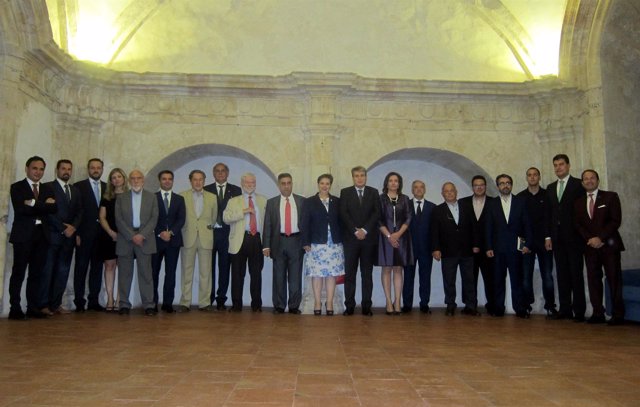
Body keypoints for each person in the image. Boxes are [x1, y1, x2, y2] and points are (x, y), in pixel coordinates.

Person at [8, 156, 57, 320]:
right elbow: (21, 210)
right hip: (23, 236)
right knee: (19, 273)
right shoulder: (17, 187)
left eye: (41, 169)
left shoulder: (48, 189)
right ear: (27, 169)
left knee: (36, 273)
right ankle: (15, 307)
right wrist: (43, 205)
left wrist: (33, 203)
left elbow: (53, 208)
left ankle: (32, 307)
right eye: (35, 168)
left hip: (42, 236)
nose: (38, 172)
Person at [574, 169, 625, 325]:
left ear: (597, 180)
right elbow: (578, 224)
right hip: (590, 247)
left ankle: (617, 314)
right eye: (586, 179)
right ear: (582, 183)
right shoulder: (578, 202)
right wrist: (590, 239)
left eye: (592, 178)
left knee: (614, 280)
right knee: (593, 280)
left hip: (609, 246)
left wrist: (600, 238)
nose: (589, 181)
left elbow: (615, 220)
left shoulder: (610, 197)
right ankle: (598, 313)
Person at [485, 174, 533, 318]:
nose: (505, 186)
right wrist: (488, 247)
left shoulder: (521, 202)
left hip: (516, 249)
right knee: (498, 280)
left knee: (517, 280)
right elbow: (488, 227)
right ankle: (498, 308)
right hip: (497, 249)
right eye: (502, 183)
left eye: (507, 183)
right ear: (497, 186)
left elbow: (527, 225)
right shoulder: (491, 203)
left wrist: (527, 244)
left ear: (511, 185)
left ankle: (520, 309)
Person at [546, 154, 586, 321]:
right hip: (557, 238)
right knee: (561, 274)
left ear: (568, 166)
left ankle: (579, 312)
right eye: (555, 165)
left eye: (561, 164)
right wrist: (548, 237)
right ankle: (565, 309)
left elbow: (583, 212)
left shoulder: (578, 185)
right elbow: (548, 214)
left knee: (576, 274)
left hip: (575, 237)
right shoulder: (550, 187)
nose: (558, 168)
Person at [40, 159, 82, 315]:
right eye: (63, 168)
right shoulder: (48, 187)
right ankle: (43, 304)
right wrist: (63, 228)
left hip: (69, 238)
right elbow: (47, 212)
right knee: (48, 270)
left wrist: (74, 227)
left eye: (69, 169)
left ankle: (55, 304)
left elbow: (80, 211)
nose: (66, 171)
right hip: (52, 235)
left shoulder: (75, 190)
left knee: (63, 271)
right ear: (56, 170)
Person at [430, 182, 480, 316]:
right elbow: (434, 231)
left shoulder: (467, 207)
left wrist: (476, 244)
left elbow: (474, 226)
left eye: (452, 190)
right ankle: (450, 305)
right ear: (442, 194)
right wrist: (435, 249)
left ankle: (471, 306)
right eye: (446, 191)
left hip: (467, 250)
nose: (450, 193)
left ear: (456, 192)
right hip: (448, 251)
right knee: (449, 280)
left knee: (469, 279)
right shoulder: (438, 210)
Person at [115, 170, 159, 315]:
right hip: (125, 239)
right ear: (129, 181)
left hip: (144, 239)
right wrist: (131, 235)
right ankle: (124, 304)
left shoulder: (151, 197)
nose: (135, 181)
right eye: (132, 178)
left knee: (146, 274)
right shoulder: (121, 198)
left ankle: (148, 305)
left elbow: (154, 218)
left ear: (143, 180)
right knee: (124, 274)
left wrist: (141, 235)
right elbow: (118, 219)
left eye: (138, 178)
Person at [516, 167, 558, 317]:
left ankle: (550, 306)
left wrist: (549, 238)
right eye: (530, 175)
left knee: (547, 276)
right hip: (526, 244)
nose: (532, 177)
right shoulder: (520, 197)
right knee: (526, 277)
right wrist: (521, 246)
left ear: (539, 177)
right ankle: (527, 305)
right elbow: (518, 224)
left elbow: (550, 219)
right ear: (526, 178)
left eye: (535, 175)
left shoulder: (548, 195)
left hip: (544, 241)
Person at [339, 166, 381, 316]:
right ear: (353, 177)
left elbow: (377, 213)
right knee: (350, 274)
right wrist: (355, 231)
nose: (360, 178)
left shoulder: (373, 192)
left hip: (369, 240)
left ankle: (366, 306)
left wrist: (365, 230)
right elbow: (343, 213)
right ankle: (349, 306)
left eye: (362, 175)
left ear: (366, 177)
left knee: (367, 274)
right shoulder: (345, 192)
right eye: (356, 175)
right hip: (351, 240)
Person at [301, 174, 345, 316]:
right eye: (322, 183)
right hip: (316, 244)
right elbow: (304, 223)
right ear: (318, 184)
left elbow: (342, 222)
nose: (325, 186)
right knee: (317, 275)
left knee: (331, 275)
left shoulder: (337, 201)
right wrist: (305, 242)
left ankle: (330, 302)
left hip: (334, 244)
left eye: (327, 183)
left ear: (330, 185)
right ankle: (318, 302)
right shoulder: (309, 202)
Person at [262, 173, 305, 314]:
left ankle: (294, 306)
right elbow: (267, 224)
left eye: (289, 183)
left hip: (296, 242)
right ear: (279, 185)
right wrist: (266, 245)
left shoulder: (301, 201)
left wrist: (306, 242)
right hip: (278, 242)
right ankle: (279, 306)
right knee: (278, 277)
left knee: (295, 277)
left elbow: (306, 224)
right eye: (283, 183)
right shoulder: (272, 202)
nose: (286, 186)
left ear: (292, 184)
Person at [224, 172, 267, 312]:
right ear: (242, 184)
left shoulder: (263, 200)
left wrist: (267, 244)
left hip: (256, 239)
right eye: (247, 182)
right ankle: (236, 305)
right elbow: (226, 218)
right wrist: (243, 211)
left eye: (252, 182)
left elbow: (268, 223)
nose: (250, 185)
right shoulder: (233, 201)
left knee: (256, 274)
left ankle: (256, 305)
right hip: (239, 241)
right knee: (237, 275)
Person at [177, 170, 218, 312]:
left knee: (206, 272)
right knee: (186, 271)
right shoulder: (182, 196)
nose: (198, 182)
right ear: (190, 181)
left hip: (206, 238)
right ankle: (185, 302)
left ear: (204, 181)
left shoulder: (212, 197)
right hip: (188, 237)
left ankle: (205, 302)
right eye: (195, 179)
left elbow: (213, 219)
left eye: (201, 179)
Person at [204, 163, 242, 310]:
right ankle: (209, 297)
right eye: (217, 171)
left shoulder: (236, 190)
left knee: (225, 267)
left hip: (227, 234)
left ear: (227, 173)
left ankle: (221, 299)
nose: (220, 173)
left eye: (223, 171)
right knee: (209, 268)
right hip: (209, 233)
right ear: (213, 174)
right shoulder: (206, 189)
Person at [377, 172, 413, 315]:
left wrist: (398, 234)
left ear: (399, 183)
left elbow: (409, 218)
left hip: (401, 238)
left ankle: (397, 301)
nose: (393, 183)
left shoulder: (405, 199)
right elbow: (378, 219)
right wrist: (389, 235)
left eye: (396, 181)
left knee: (398, 269)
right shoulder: (380, 199)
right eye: (390, 181)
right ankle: (388, 301)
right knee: (386, 269)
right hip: (385, 238)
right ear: (386, 183)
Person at [73, 158, 107, 312]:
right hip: (84, 234)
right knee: (81, 268)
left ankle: (94, 301)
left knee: (97, 269)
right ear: (88, 169)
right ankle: (79, 301)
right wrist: (77, 233)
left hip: (101, 236)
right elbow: (76, 211)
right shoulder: (78, 186)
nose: (95, 170)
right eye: (93, 167)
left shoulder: (107, 188)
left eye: (98, 168)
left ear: (102, 169)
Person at [459, 175, 495, 315]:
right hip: (469, 249)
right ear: (472, 187)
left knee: (490, 278)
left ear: (485, 186)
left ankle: (492, 305)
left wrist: (490, 246)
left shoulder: (494, 202)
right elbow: (460, 227)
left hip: (488, 249)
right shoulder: (463, 203)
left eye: (481, 185)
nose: (479, 187)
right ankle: (470, 305)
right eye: (476, 185)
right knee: (469, 278)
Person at [151, 170, 186, 313]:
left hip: (173, 241)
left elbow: (181, 219)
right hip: (156, 241)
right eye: (164, 179)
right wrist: (160, 232)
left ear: (173, 181)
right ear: (160, 180)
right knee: (153, 272)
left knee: (170, 273)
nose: (167, 181)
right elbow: (150, 218)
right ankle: (152, 303)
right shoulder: (152, 198)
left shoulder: (179, 199)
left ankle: (167, 303)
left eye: (169, 179)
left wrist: (170, 232)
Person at [403, 180, 436, 314]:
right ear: (412, 189)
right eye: (416, 187)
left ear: (425, 189)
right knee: (408, 278)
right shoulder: (405, 206)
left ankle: (424, 304)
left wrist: (435, 248)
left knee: (425, 278)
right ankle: (407, 305)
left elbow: (435, 231)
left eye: (421, 187)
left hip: (427, 250)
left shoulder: (432, 207)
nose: (418, 189)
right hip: (409, 249)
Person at [98, 168, 128, 312]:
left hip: (126, 237)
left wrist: (124, 234)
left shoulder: (130, 196)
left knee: (123, 267)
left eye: (119, 176)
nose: (116, 179)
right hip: (108, 235)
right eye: (113, 177)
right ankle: (110, 298)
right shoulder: (107, 196)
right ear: (111, 181)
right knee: (109, 266)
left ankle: (119, 299)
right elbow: (102, 217)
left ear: (124, 178)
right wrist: (110, 232)